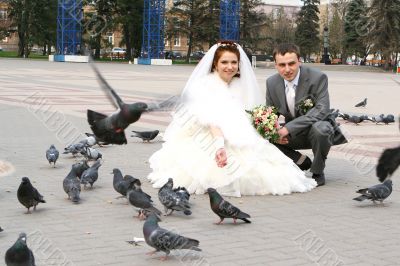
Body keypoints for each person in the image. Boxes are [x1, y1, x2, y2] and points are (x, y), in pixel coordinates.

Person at [147, 41, 317, 197]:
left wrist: (266, 127)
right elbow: (210, 121)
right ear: (215, 64)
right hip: (208, 137)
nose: (230, 67)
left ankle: (296, 159)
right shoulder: (205, 85)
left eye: (234, 62)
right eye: (224, 62)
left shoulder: (240, 85)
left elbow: (250, 115)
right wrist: (220, 146)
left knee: (268, 167)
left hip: (238, 134)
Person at [266, 43, 347, 187]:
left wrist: (287, 128)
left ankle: (317, 171)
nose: (287, 69)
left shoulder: (318, 78)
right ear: (276, 65)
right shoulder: (271, 83)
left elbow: (322, 110)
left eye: (292, 63)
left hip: (316, 130)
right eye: (282, 65)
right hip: (293, 135)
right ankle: (300, 160)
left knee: (322, 129)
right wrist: (274, 133)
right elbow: (270, 114)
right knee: (262, 135)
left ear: (299, 61)